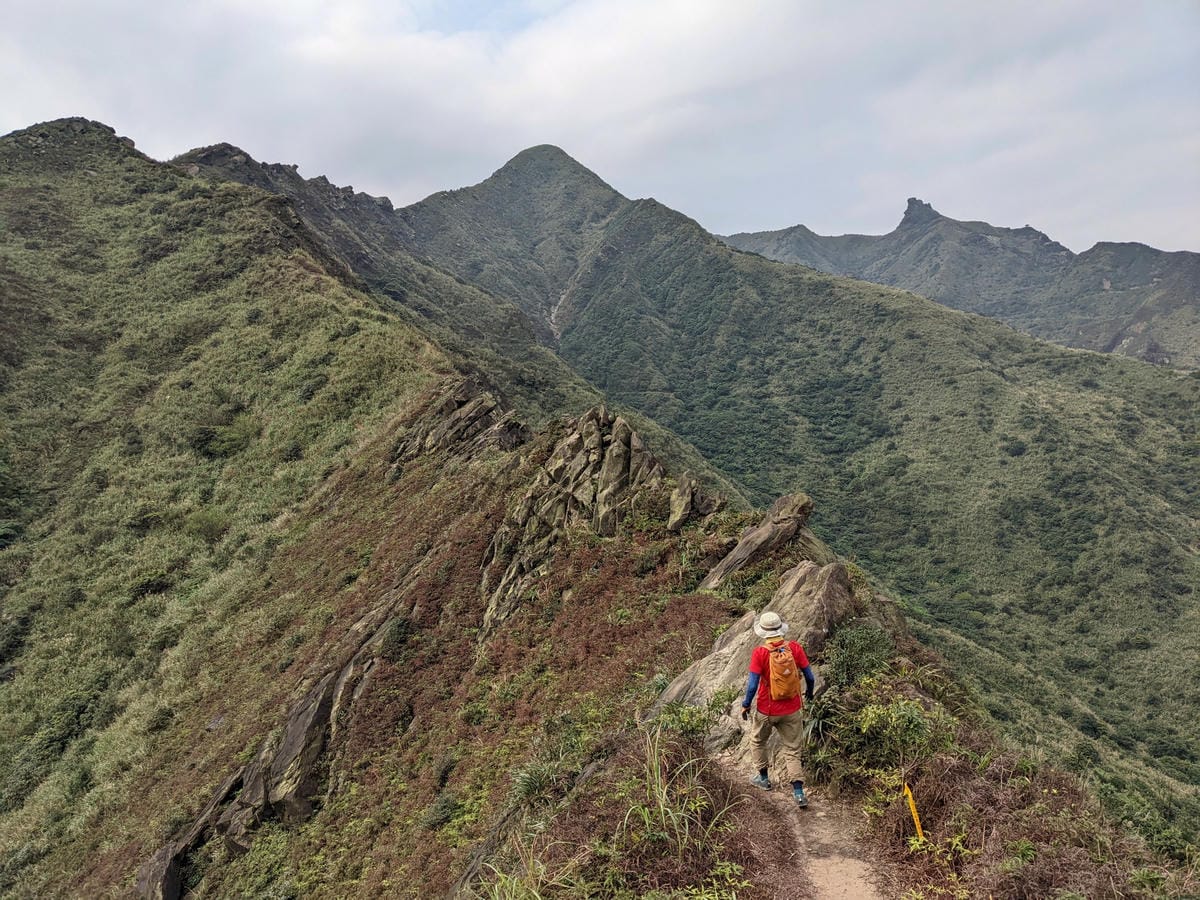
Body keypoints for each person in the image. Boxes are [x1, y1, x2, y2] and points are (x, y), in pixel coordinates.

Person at [740, 611, 815, 807]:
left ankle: (763, 779)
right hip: (791, 709)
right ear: (780, 629)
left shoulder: (760, 653)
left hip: (767, 709)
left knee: (757, 741)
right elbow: (810, 677)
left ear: (763, 632)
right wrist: (810, 694)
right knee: (792, 750)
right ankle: (798, 793)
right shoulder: (795, 648)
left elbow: (752, 685)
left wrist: (746, 704)